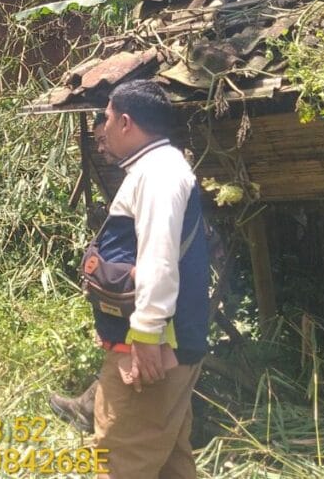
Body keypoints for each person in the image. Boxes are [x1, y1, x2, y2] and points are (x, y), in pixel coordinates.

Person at [84, 80, 210, 478]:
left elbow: (158, 256)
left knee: (119, 458)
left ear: (125, 122)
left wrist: (146, 334)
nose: (101, 130)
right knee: (170, 459)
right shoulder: (158, 168)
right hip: (166, 342)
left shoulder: (158, 174)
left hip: (153, 349)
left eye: (104, 119)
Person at [49, 111, 119, 432]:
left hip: (152, 314)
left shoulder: (152, 178)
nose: (100, 149)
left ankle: (96, 418)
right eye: (97, 142)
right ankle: (89, 408)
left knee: (132, 357)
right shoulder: (135, 177)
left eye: (105, 140)